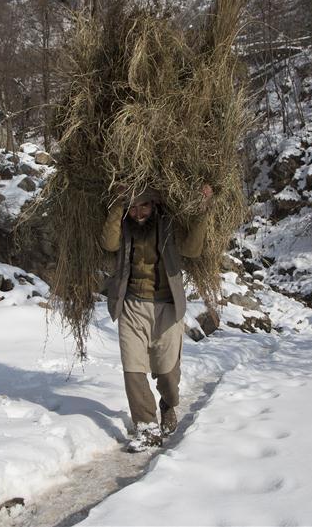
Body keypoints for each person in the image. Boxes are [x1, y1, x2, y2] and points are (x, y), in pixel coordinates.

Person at [101, 185, 212, 452]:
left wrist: (203, 210)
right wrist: (118, 205)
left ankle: (168, 403)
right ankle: (146, 428)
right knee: (133, 369)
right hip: (131, 304)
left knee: (168, 374)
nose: (138, 213)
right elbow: (109, 243)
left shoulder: (170, 224)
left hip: (167, 306)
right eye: (133, 207)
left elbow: (193, 250)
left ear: (155, 205)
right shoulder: (124, 225)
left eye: (144, 206)